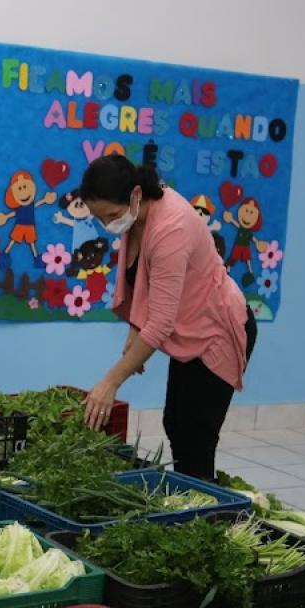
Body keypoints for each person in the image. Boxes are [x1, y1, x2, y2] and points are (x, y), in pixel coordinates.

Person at [78, 155, 257, 479]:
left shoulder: (170, 228)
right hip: (190, 328)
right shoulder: (137, 217)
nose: (107, 226)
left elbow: (160, 324)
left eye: (111, 216)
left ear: (135, 194)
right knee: (175, 423)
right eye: (100, 219)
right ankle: (191, 499)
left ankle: (202, 513)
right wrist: (135, 329)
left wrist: (110, 383)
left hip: (216, 330)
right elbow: (146, 283)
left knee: (195, 434)